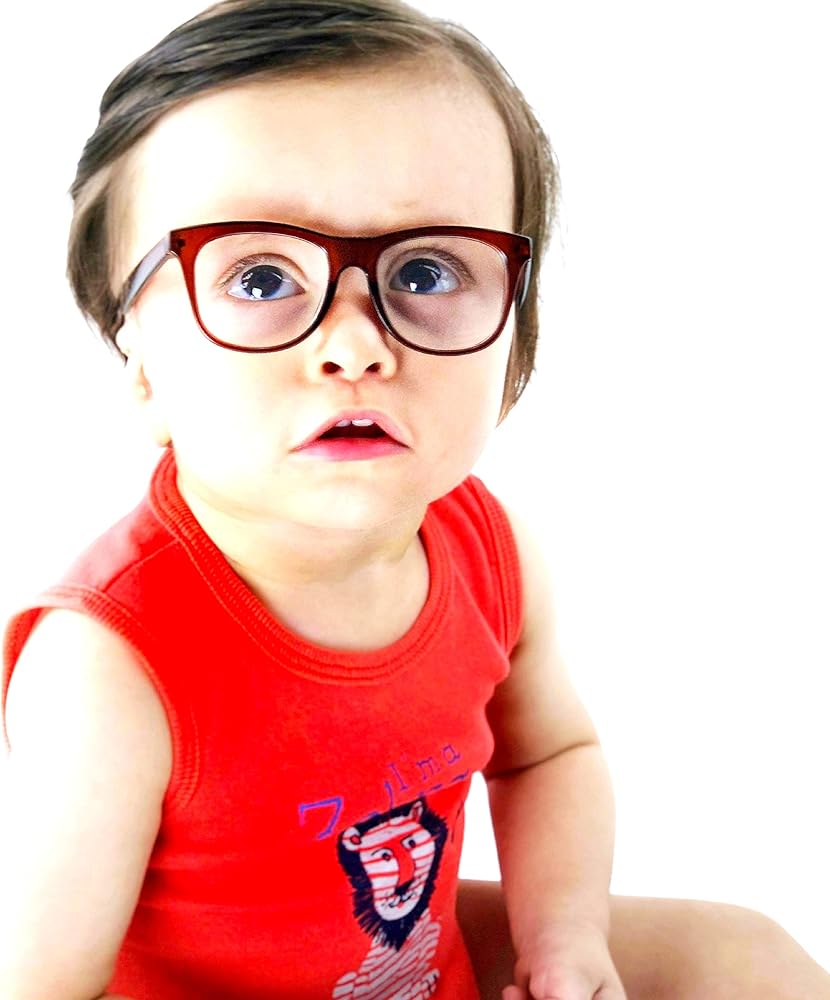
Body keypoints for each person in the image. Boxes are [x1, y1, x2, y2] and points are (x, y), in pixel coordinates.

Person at [1, 2, 828, 998]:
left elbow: (547, 754)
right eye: (259, 278)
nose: (356, 344)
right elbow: (46, 984)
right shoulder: (109, 666)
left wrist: (562, 941)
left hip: (413, 968)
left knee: (748, 956)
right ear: (141, 366)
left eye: (426, 271)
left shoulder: (488, 547)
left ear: (514, 343)